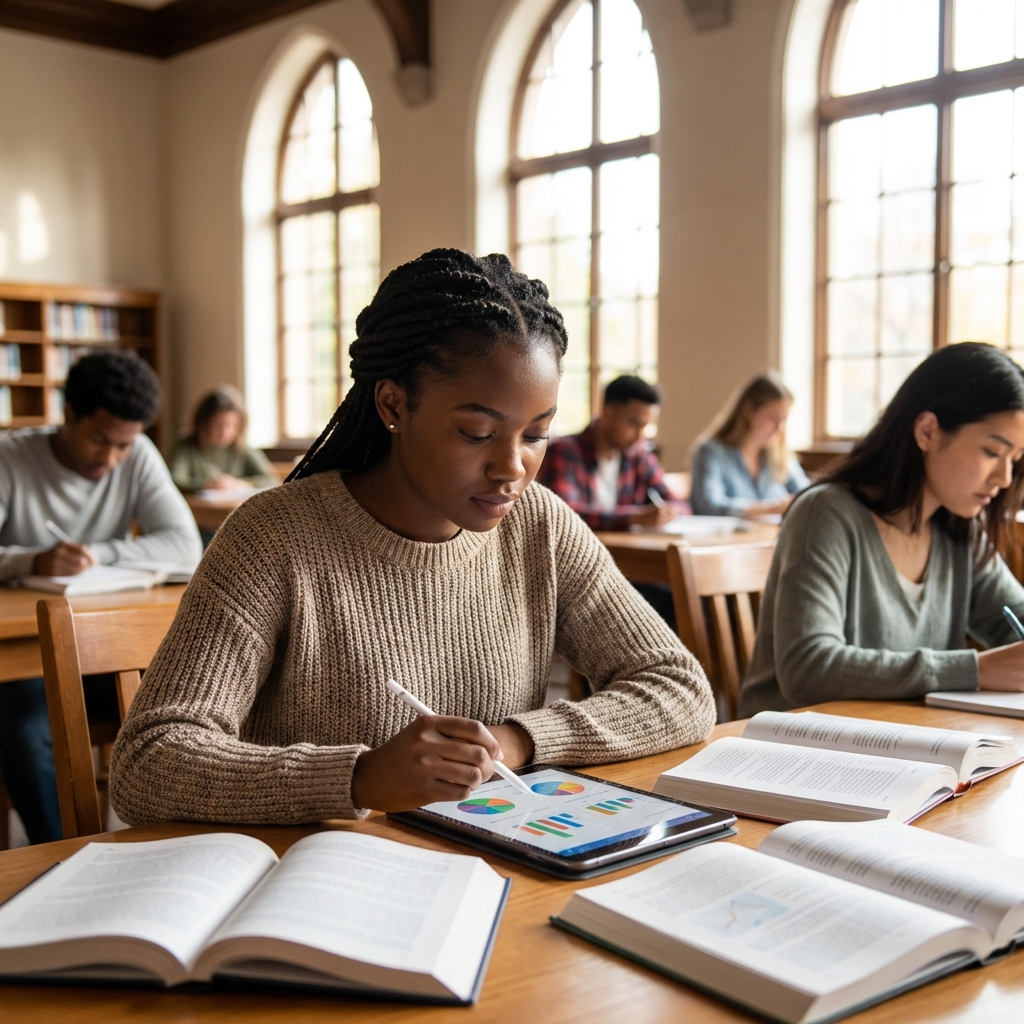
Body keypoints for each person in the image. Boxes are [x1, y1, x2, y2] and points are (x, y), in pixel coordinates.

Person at [109, 249, 715, 825]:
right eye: (477, 432)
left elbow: (680, 688)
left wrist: (515, 741)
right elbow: (147, 762)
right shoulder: (273, 539)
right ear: (394, 404)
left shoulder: (541, 525)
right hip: (320, 883)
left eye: (535, 435)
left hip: (490, 868)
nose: (511, 468)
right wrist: (358, 778)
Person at [739, 342, 1024, 717]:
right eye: (992, 452)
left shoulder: (961, 531)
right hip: (793, 753)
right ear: (927, 431)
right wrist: (977, 670)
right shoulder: (825, 514)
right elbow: (808, 669)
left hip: (907, 746)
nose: (1004, 478)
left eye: (1015, 460)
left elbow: (1014, 619)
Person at [0, 350, 202, 843]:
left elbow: (184, 546)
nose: (111, 459)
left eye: (123, 445)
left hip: (107, 652)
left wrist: (98, 553)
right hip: (29, 663)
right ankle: (59, 854)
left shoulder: (137, 455)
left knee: (195, 698)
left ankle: (176, 853)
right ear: (69, 414)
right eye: (99, 439)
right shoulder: (10, 457)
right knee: (22, 723)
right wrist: (31, 561)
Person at [536, 375, 677, 531]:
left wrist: (668, 513)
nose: (640, 435)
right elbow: (563, 513)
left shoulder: (639, 456)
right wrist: (635, 517)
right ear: (608, 413)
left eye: (645, 426)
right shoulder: (564, 452)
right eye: (634, 423)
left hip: (624, 552)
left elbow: (676, 503)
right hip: (575, 552)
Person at [690, 372, 809, 518]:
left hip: (773, 538)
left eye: (784, 420)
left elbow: (807, 494)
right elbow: (707, 506)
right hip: (732, 540)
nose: (779, 428)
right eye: (772, 418)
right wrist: (772, 509)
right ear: (749, 410)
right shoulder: (711, 451)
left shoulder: (779, 454)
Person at [170, 385, 276, 493]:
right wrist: (207, 485)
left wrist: (239, 483)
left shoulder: (241, 447)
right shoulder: (187, 446)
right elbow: (175, 480)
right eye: (218, 425)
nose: (224, 433)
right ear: (204, 423)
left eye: (232, 426)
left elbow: (271, 480)